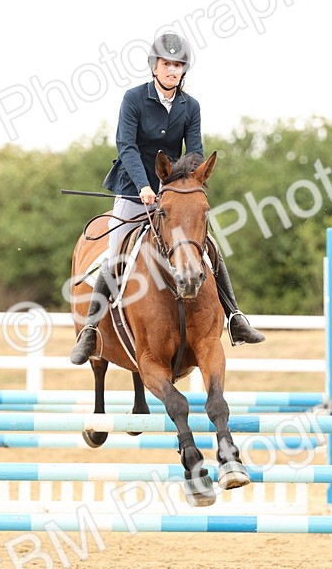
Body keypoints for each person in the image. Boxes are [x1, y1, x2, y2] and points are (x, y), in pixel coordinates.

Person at [69, 30, 265, 365]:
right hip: (133, 190)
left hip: (172, 194)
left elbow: (196, 150)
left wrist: (184, 184)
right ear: (154, 67)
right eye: (166, 64)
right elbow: (126, 146)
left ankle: (235, 318)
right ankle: (90, 329)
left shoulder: (191, 106)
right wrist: (144, 185)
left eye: (178, 64)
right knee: (115, 253)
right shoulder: (133, 99)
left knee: (209, 249)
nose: (172, 69)